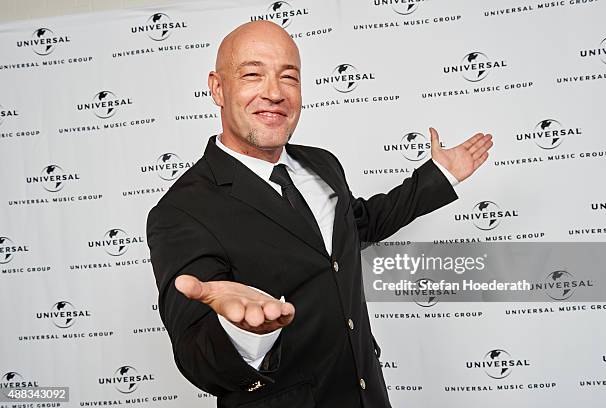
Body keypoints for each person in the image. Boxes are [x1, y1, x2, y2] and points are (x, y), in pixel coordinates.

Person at [146, 21, 492, 408]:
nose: (274, 92)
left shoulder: (322, 164)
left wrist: (438, 177)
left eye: (288, 77)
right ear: (217, 88)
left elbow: (358, 225)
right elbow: (197, 358)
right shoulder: (181, 211)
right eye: (253, 75)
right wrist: (242, 332)